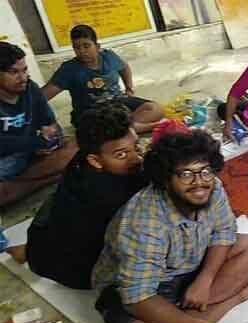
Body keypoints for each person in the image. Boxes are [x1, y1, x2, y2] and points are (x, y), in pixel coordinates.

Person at [92, 130, 248, 323]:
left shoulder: (212, 186)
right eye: (186, 174)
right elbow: (137, 296)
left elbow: (224, 231)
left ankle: (184, 315)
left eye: (205, 171)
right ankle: (231, 300)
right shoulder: (143, 222)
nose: (199, 182)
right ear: (165, 180)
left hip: (189, 263)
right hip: (143, 287)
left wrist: (205, 279)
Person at [6, 103, 147, 289]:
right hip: (81, 273)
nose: (137, 158)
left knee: (57, 202)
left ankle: (30, 251)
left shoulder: (82, 158)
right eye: (121, 154)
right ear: (95, 161)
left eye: (136, 146)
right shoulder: (110, 195)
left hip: (44, 247)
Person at [42, 25, 164, 133]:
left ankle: (127, 128)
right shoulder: (69, 69)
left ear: (97, 46)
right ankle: (133, 127)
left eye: (86, 46)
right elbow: (42, 96)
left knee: (155, 109)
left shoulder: (109, 57)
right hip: (91, 113)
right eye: (77, 47)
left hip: (117, 103)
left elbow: (124, 68)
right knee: (99, 128)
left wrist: (129, 89)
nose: (82, 51)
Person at [0, 42, 78, 206]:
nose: (23, 78)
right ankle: (41, 178)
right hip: (5, 160)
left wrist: (51, 137)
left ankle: (17, 186)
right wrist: (36, 143)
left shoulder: (30, 88)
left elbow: (50, 123)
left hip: (31, 154)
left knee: (78, 147)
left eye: (24, 70)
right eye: (14, 72)